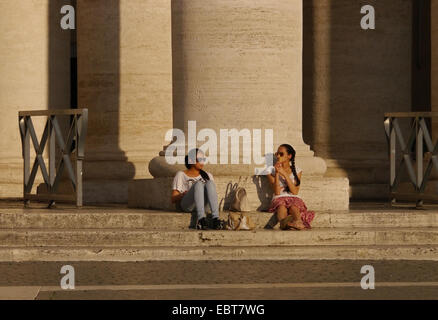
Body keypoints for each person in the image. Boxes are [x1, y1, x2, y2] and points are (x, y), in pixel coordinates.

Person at [266, 144, 315, 230]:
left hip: (293, 197)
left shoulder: (298, 170)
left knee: (294, 207)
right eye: (276, 153)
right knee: (281, 207)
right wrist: (277, 173)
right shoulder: (270, 171)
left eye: (281, 154)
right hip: (279, 197)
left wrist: (284, 173)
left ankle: (298, 223)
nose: (278, 156)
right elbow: (277, 192)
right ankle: (284, 223)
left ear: (289, 156)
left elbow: (294, 191)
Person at [171, 148, 221, 230]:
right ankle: (201, 219)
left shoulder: (207, 175)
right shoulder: (181, 174)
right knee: (198, 184)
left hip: (205, 206)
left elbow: (212, 195)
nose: (202, 162)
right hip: (188, 205)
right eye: (199, 159)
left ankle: (215, 219)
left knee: (210, 183)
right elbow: (173, 199)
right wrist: (182, 195)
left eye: (203, 159)